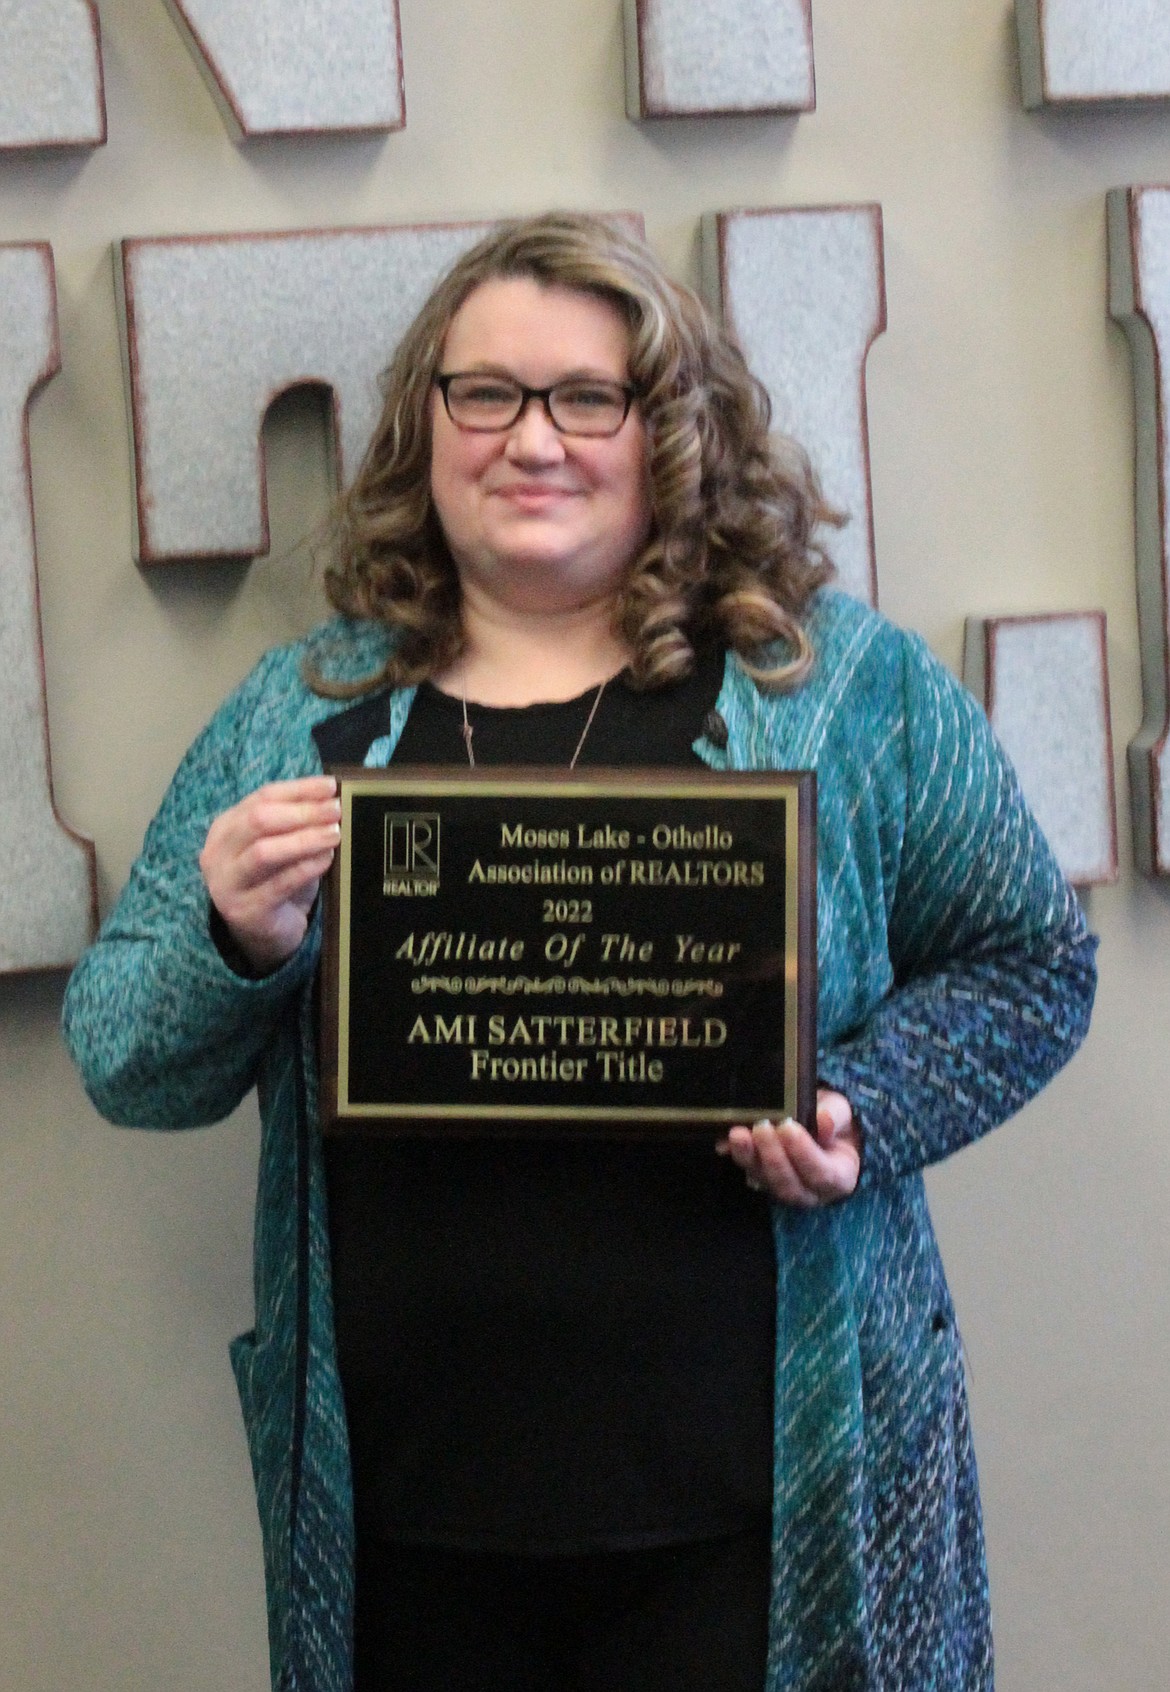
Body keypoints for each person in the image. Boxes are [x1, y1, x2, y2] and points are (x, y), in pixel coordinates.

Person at [63, 212, 1096, 1692]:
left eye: (584, 397)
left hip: (758, 1521)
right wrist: (233, 935)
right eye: (482, 393)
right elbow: (123, 1061)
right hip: (410, 1532)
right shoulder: (303, 712)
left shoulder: (838, 686)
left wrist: (865, 1110)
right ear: (426, 424)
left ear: (666, 427)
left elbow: (1029, 963)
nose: (529, 438)